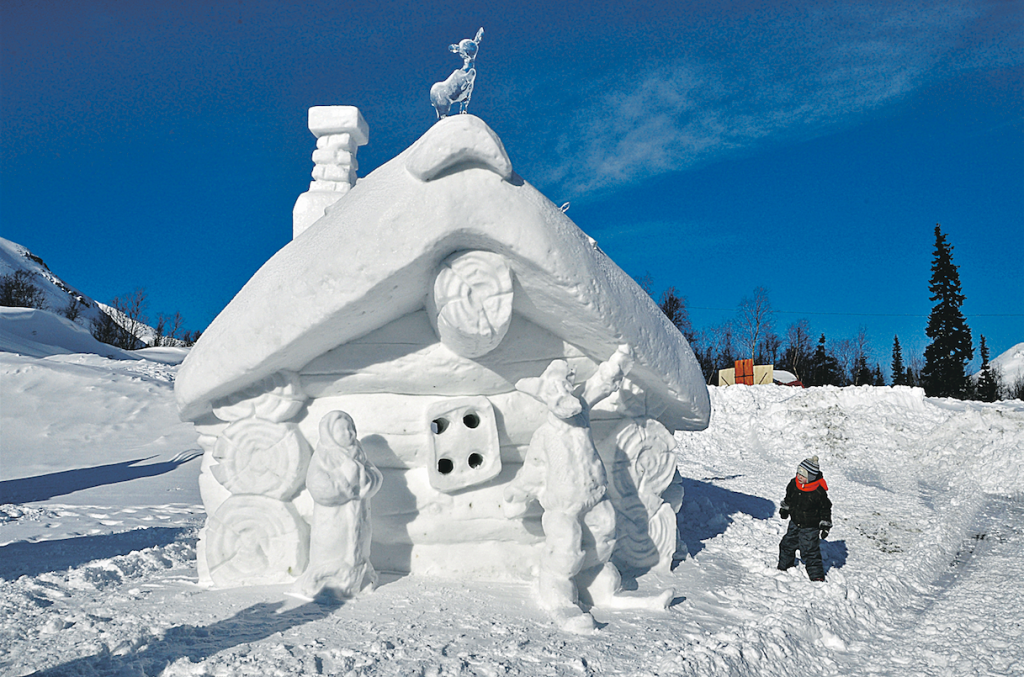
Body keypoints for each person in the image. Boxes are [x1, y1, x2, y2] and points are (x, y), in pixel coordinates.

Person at [777, 455, 832, 581]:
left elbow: (825, 509)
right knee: (786, 545)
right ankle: (784, 567)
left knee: (809, 551)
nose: (799, 477)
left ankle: (816, 576)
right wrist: (785, 508)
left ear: (811, 477)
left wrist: (825, 525)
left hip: (810, 527)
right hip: (795, 523)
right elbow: (788, 498)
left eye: (803, 475)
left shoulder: (818, 492)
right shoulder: (793, 484)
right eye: (798, 473)